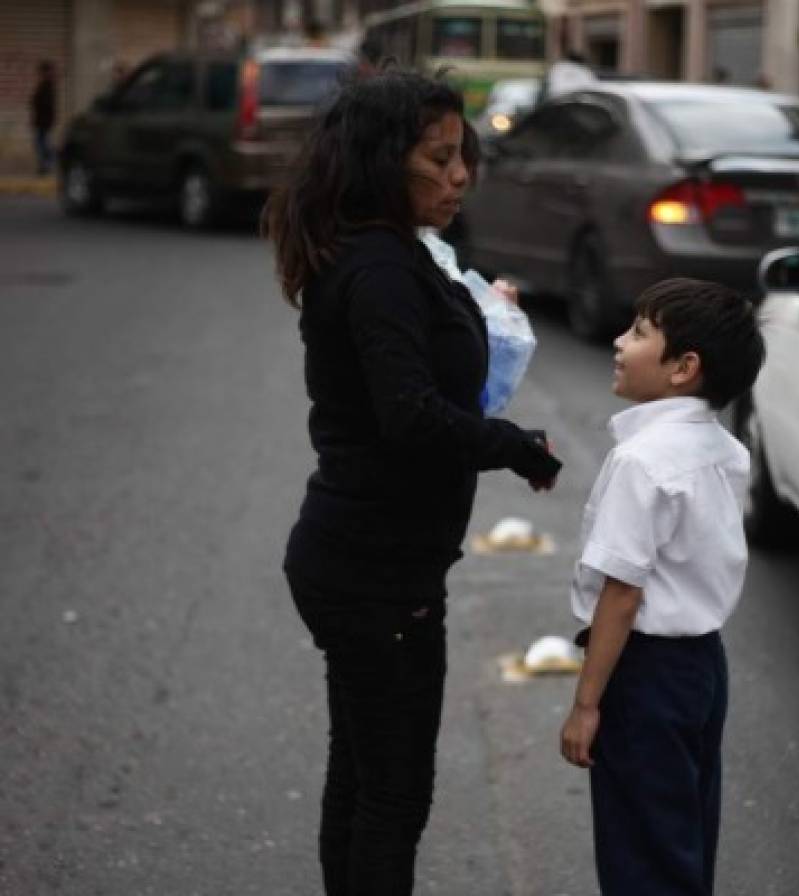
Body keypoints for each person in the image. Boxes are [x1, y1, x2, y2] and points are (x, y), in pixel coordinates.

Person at [262, 72, 562, 896]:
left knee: (362, 774)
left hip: (366, 560)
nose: (460, 173)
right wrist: (519, 446)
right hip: (373, 572)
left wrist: (481, 317)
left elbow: (424, 366)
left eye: (463, 153)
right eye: (439, 158)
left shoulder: (392, 254)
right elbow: (412, 416)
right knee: (392, 791)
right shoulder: (381, 266)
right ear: (381, 163)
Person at [559, 278, 766, 896]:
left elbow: (621, 596)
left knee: (641, 855)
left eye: (640, 333)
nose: (619, 343)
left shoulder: (642, 462)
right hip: (702, 667)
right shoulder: (723, 450)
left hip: (644, 675)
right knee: (681, 837)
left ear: (684, 368)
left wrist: (586, 703)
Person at [30, 60, 56, 176]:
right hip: (42, 120)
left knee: (42, 144)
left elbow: (46, 104)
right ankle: (46, 165)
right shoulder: (46, 85)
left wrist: (35, 101)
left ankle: (46, 165)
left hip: (43, 121)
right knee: (42, 144)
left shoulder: (47, 86)